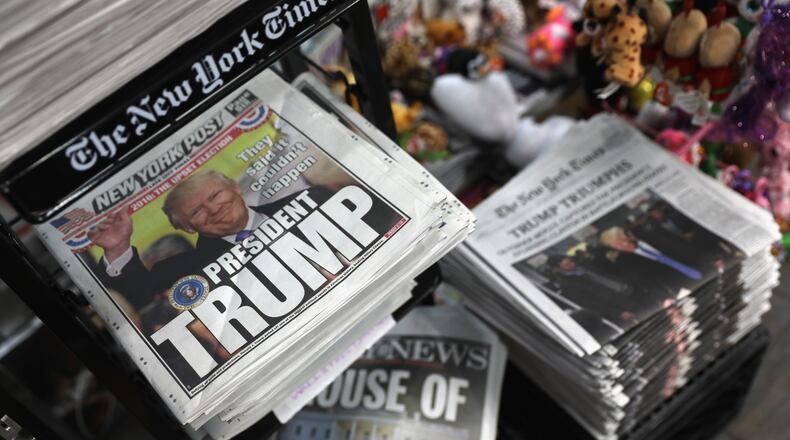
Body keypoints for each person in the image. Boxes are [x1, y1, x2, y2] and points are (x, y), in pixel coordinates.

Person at [88, 170, 335, 314]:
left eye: (216, 195)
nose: (214, 209)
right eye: (196, 211)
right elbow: (140, 297)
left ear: (236, 189)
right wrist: (118, 248)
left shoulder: (313, 199)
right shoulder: (181, 271)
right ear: (185, 227)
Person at [598, 226, 704, 302]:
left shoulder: (648, 235)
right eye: (617, 244)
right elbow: (646, 283)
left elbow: (682, 245)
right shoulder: (626, 263)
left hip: (699, 263)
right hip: (683, 284)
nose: (623, 243)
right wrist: (665, 299)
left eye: (621, 238)